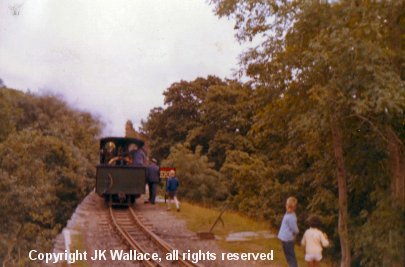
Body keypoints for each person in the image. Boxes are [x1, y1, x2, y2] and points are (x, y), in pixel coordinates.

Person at [278, 196, 299, 267]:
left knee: (290, 256)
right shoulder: (289, 215)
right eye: (288, 206)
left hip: (288, 239)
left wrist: (296, 232)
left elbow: (294, 228)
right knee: (289, 256)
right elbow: (292, 228)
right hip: (286, 239)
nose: (288, 208)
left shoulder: (291, 216)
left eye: (290, 207)